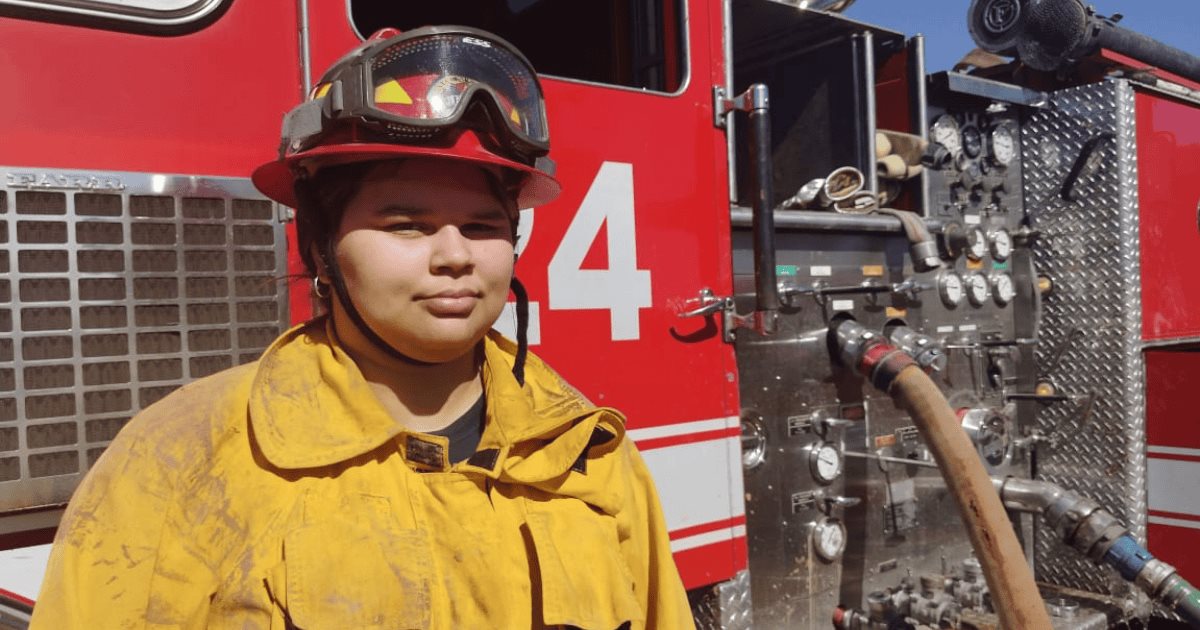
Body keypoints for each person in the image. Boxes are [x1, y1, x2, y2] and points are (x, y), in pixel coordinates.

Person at [31, 26, 693, 629]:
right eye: (406, 225)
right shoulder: (181, 458)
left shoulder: (587, 452)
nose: (455, 256)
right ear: (321, 248)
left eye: (483, 226)